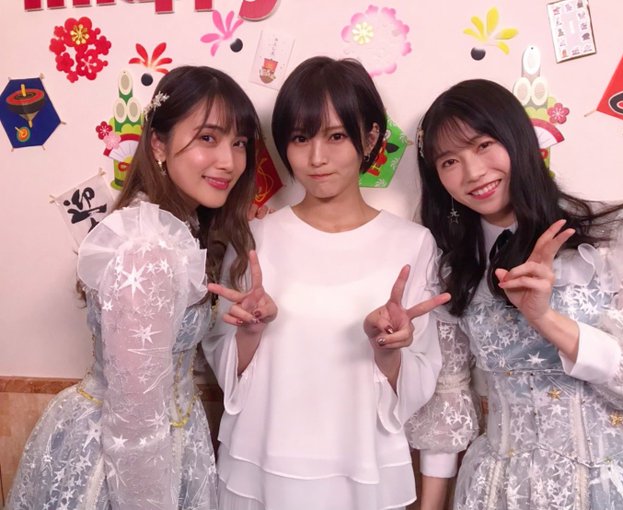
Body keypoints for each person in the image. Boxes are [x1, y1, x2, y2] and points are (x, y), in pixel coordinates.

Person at [412, 78, 623, 509]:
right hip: (498, 492)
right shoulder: (451, 271)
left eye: (483, 145)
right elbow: (450, 395)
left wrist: (545, 318)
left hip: (609, 490)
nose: (473, 173)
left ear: (518, 138)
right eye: (449, 161)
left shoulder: (616, 241)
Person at [8, 65, 261, 510]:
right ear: (159, 144)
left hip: (170, 443)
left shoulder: (176, 230)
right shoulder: (148, 248)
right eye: (208, 137)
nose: (229, 160)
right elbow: (135, 423)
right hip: (124, 463)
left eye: (239, 143)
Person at [203, 56, 449, 510]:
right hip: (263, 467)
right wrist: (249, 333)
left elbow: (420, 383)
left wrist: (387, 350)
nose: (316, 158)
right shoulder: (253, 239)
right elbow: (224, 368)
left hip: (363, 469)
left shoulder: (412, 244)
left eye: (336, 136)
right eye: (300, 138)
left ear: (370, 138)